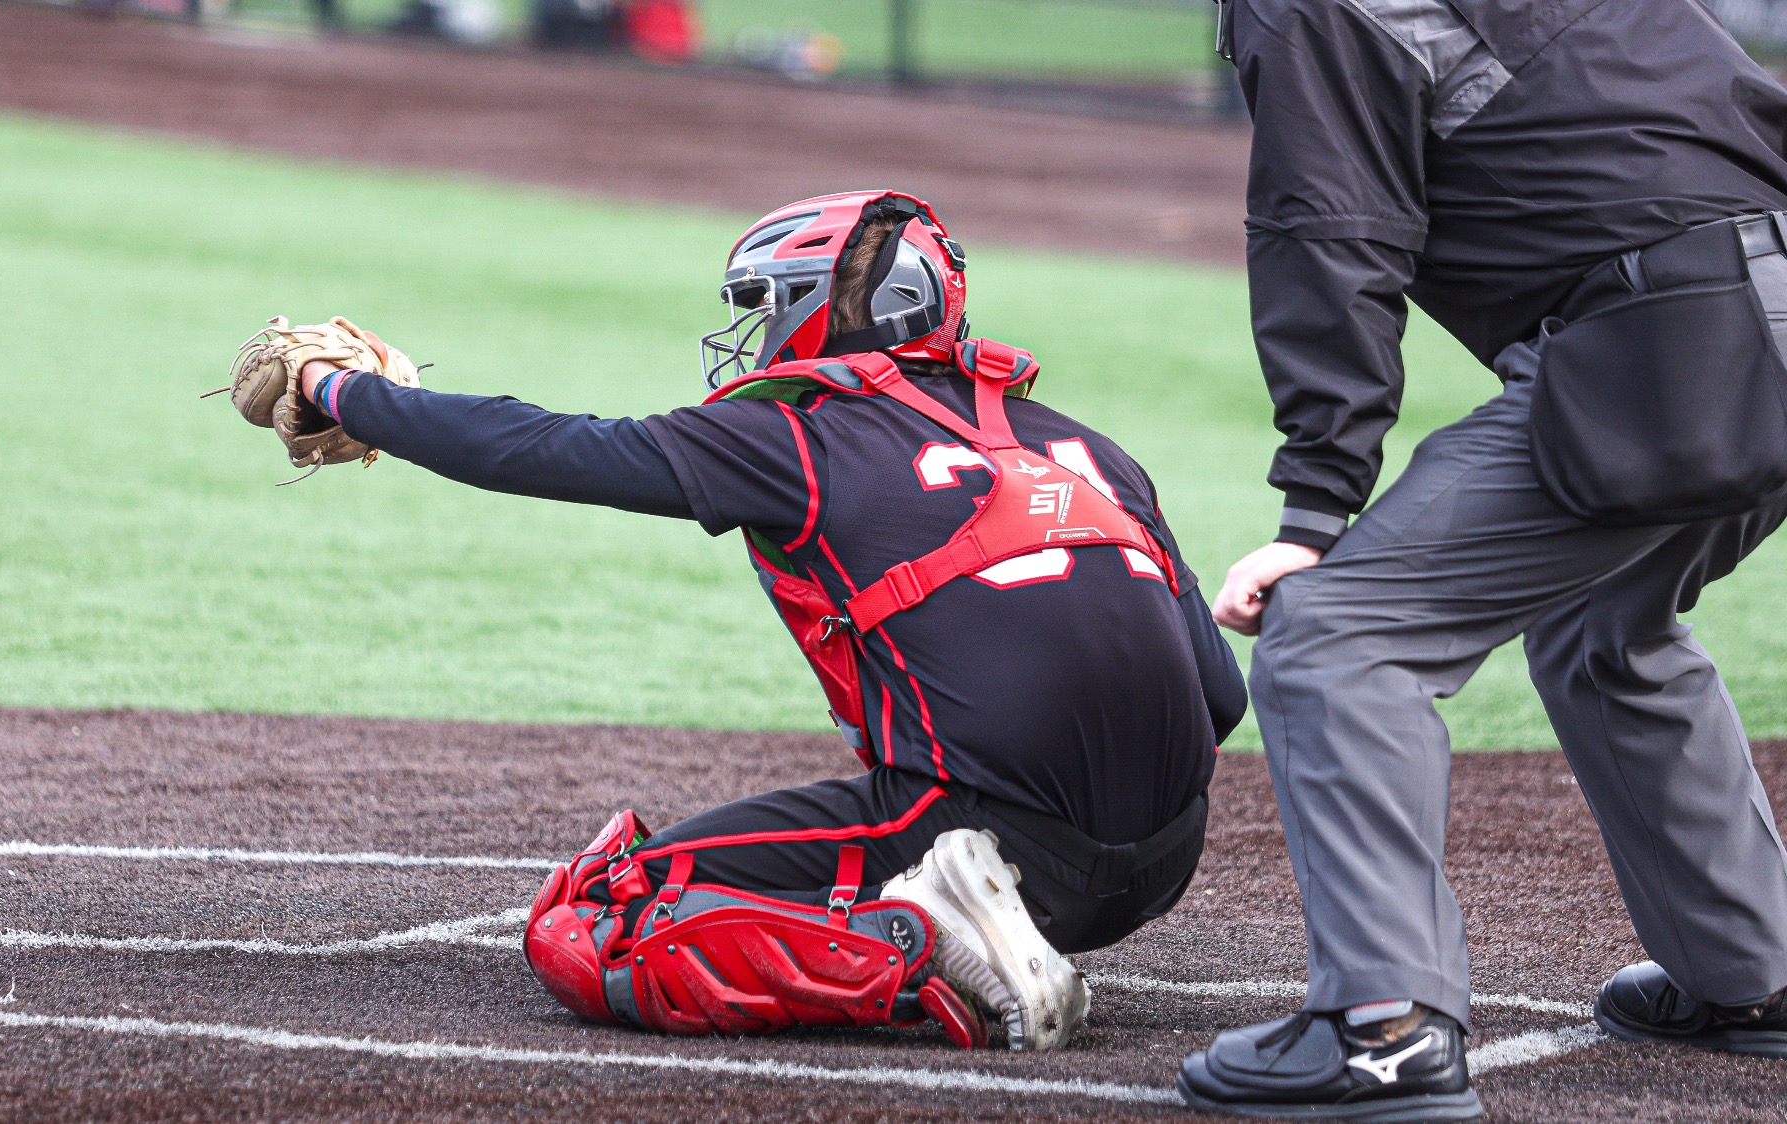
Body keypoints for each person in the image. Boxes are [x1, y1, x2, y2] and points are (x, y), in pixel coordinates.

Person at [284, 191, 1244, 1049]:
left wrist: (351, 395)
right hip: (1168, 858)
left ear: (818, 309)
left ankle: (917, 944)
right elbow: (1221, 697)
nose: (752, 335)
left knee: (596, 918)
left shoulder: (794, 436)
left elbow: (547, 448)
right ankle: (959, 911)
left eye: (765, 305)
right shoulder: (1092, 450)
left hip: (990, 840)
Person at [1184, 0, 1787, 1117]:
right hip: (1752, 298)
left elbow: (1327, 225)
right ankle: (1752, 976)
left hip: (1679, 338)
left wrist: (1313, 511)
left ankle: (1381, 1029)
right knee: (1604, 624)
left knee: (1334, 637)